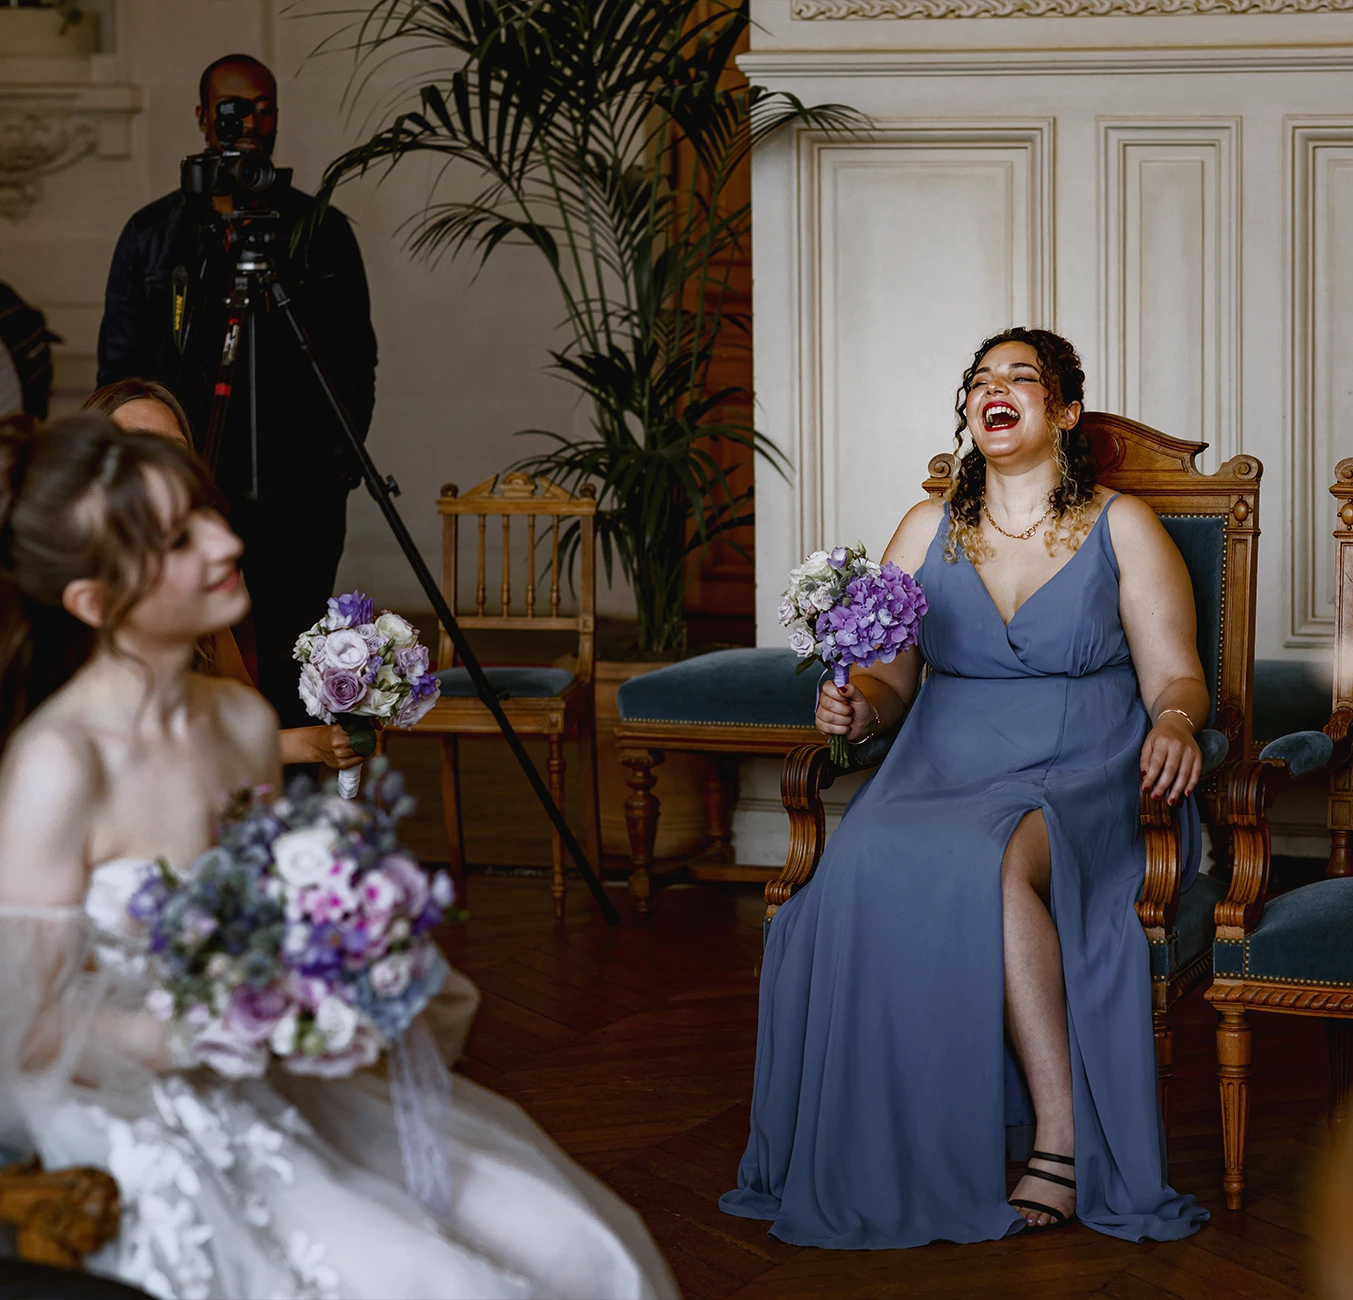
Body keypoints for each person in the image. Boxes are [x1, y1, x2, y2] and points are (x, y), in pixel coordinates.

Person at [0, 415, 677, 1299]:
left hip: (265, 1075)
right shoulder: (61, 763)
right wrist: (194, 1031)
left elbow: (273, 903)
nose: (225, 542)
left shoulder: (240, 723)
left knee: (572, 1242)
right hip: (123, 1111)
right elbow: (30, 1025)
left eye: (208, 514)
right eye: (179, 538)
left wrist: (338, 971)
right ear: (95, 601)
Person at [720, 328, 1213, 1247]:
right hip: (941, 758)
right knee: (858, 868)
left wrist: (1179, 722)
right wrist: (856, 710)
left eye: (1021, 378)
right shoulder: (923, 528)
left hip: (1081, 763)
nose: (997, 389)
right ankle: (901, 1139)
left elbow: (1176, 679)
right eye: (983, 379)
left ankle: (1060, 1138)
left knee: (989, 865)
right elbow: (889, 681)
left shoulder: (1124, 525)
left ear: (1062, 412)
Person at [96, 53, 377, 738]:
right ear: (200, 117)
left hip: (298, 490)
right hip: (186, 493)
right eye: (230, 108)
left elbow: (354, 359)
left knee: (293, 654)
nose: (248, 123)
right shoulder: (153, 235)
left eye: (263, 106)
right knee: (195, 658)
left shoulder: (318, 231)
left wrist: (339, 467)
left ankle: (299, 794)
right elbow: (120, 371)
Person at [81, 379, 360, 774]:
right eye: (138, 447)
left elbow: (240, 711)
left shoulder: (190, 580)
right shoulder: (78, 591)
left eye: (175, 451)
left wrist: (317, 743)